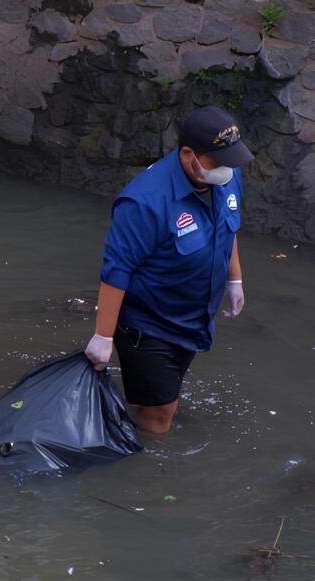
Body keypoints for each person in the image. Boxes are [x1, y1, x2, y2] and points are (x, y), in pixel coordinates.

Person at [84, 106, 252, 434]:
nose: (228, 169)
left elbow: (226, 228)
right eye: (218, 161)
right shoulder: (144, 202)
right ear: (189, 154)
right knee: (162, 413)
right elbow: (117, 271)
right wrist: (103, 336)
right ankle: (146, 471)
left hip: (193, 317)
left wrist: (235, 279)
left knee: (155, 397)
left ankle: (140, 407)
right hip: (149, 322)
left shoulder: (228, 175)